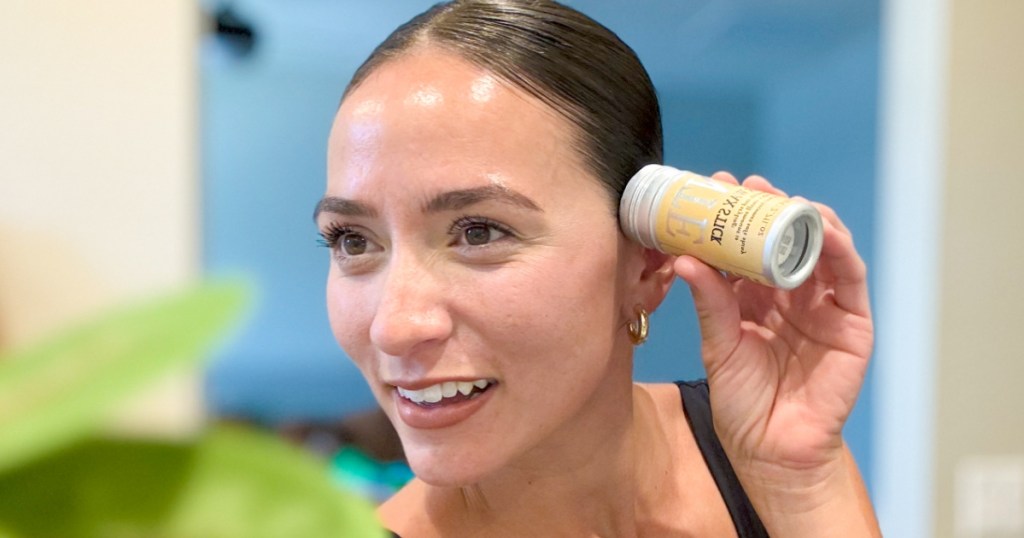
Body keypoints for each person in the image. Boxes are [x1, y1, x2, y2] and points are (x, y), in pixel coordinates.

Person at [313, 1, 880, 536]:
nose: (394, 327)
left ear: (646, 263)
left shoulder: (759, 455)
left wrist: (801, 482)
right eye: (353, 241)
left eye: (479, 232)